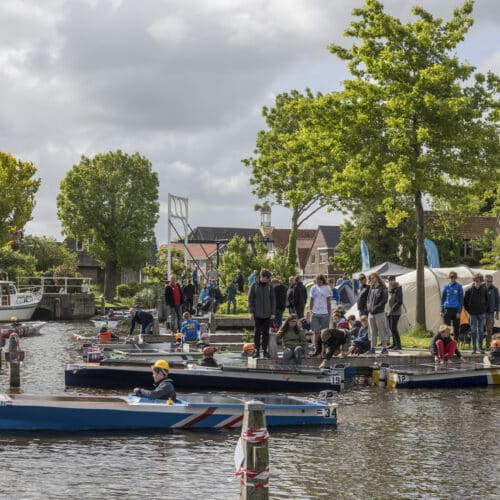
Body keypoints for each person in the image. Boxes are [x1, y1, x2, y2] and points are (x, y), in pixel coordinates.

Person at [248, 268, 276, 359]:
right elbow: (250, 299)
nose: (269, 280)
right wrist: (251, 311)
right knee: (257, 332)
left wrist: (273, 312)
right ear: (262, 277)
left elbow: (273, 299)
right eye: (267, 278)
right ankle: (256, 350)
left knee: (265, 333)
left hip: (267, 314)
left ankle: (264, 350)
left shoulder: (270, 286)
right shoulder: (254, 285)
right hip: (257, 313)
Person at [464, 273, 488, 354]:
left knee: (481, 330)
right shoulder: (469, 290)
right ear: (474, 281)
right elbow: (465, 302)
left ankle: (480, 348)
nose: (478, 283)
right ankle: (474, 348)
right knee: (473, 330)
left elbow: (487, 301)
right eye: (477, 281)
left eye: (480, 282)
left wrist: (484, 310)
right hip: (472, 313)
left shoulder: (484, 289)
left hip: (481, 313)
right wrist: (469, 311)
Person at [366, 272, 388, 355]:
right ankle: (372, 348)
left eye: (373, 278)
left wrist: (376, 307)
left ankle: (385, 348)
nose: (372, 280)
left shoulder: (383, 288)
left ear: (377, 278)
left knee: (382, 330)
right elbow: (368, 300)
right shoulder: (371, 288)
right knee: (372, 331)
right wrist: (369, 308)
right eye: (371, 278)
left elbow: (384, 300)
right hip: (371, 314)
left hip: (379, 313)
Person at [310, 274, 332, 356]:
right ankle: (316, 349)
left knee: (324, 333)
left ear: (323, 280)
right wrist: (311, 310)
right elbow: (311, 300)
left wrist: (329, 313)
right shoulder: (313, 288)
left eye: (320, 280)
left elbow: (328, 301)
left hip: (324, 313)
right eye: (317, 281)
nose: (318, 282)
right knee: (316, 332)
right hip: (315, 313)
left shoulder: (327, 288)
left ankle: (323, 350)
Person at [440, 271, 464, 342]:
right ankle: (446, 341)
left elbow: (461, 300)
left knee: (456, 327)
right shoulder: (446, 286)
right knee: (446, 327)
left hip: (456, 309)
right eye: (451, 277)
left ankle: (455, 341)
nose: (452, 279)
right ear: (449, 278)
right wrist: (441, 310)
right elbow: (443, 299)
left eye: (454, 277)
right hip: (447, 308)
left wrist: (459, 312)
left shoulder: (459, 287)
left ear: (456, 278)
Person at [386, 276, 403, 350]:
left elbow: (399, 301)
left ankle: (398, 345)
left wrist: (392, 310)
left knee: (394, 328)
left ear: (394, 280)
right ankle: (394, 343)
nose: (390, 282)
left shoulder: (398, 289)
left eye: (391, 280)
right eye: (389, 280)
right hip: (389, 311)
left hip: (395, 312)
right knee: (391, 328)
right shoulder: (391, 289)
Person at [485, 274, 499, 350]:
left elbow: (497, 301)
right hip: (482, 313)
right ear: (485, 280)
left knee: (489, 329)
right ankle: (480, 345)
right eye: (487, 281)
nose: (489, 283)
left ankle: (488, 345)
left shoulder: (495, 289)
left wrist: (497, 313)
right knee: (480, 329)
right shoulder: (481, 287)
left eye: (490, 281)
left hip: (490, 312)